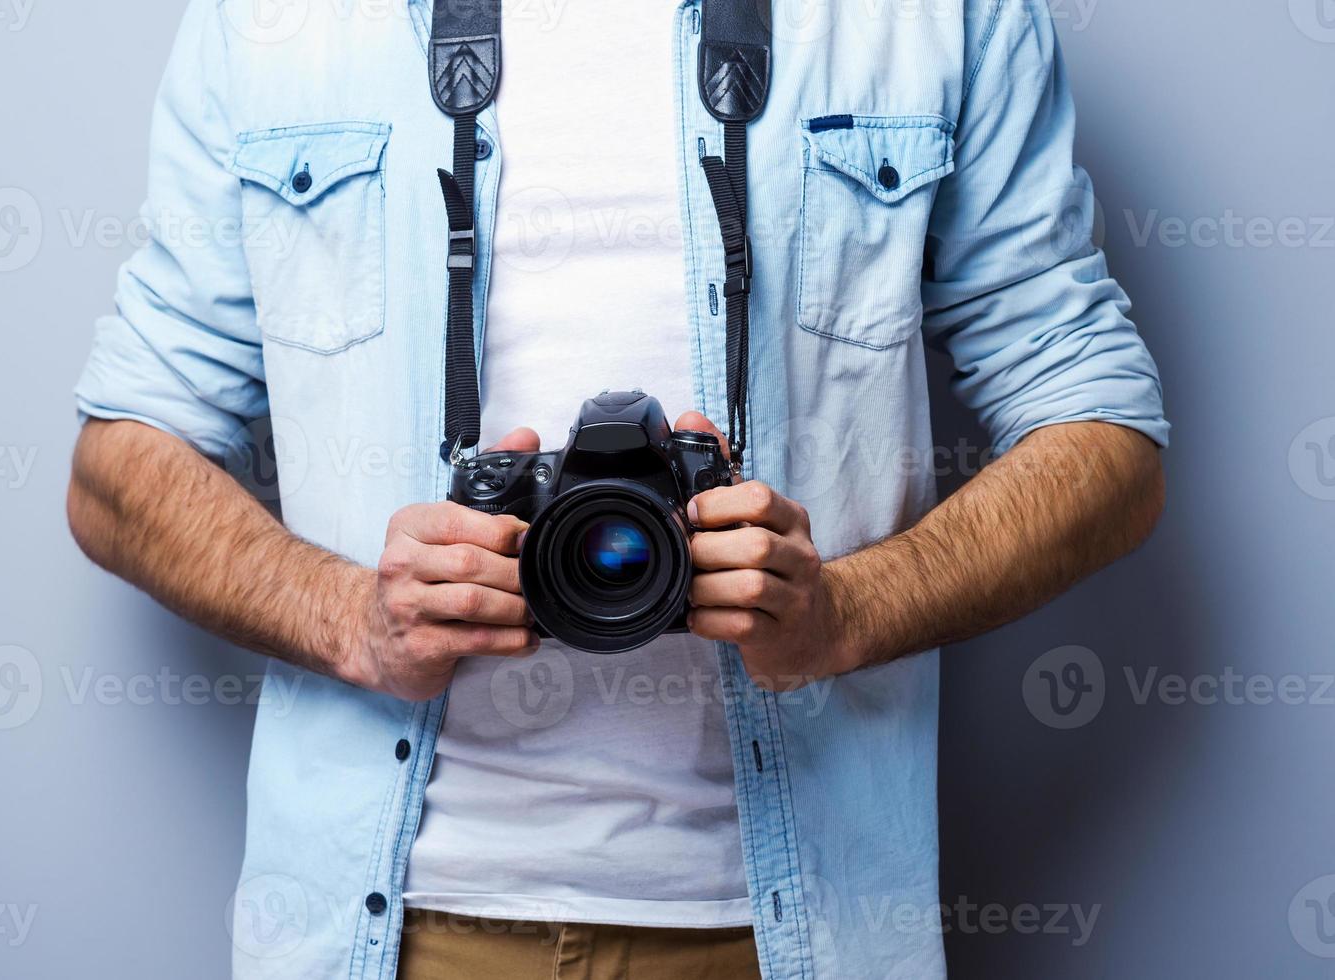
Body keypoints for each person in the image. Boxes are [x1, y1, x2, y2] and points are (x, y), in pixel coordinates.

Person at [67, 0, 1167, 976]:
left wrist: (844, 611)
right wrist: (350, 619)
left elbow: (1106, 439)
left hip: (795, 929)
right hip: (390, 925)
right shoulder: (279, 23)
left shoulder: (933, 18)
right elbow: (120, 464)